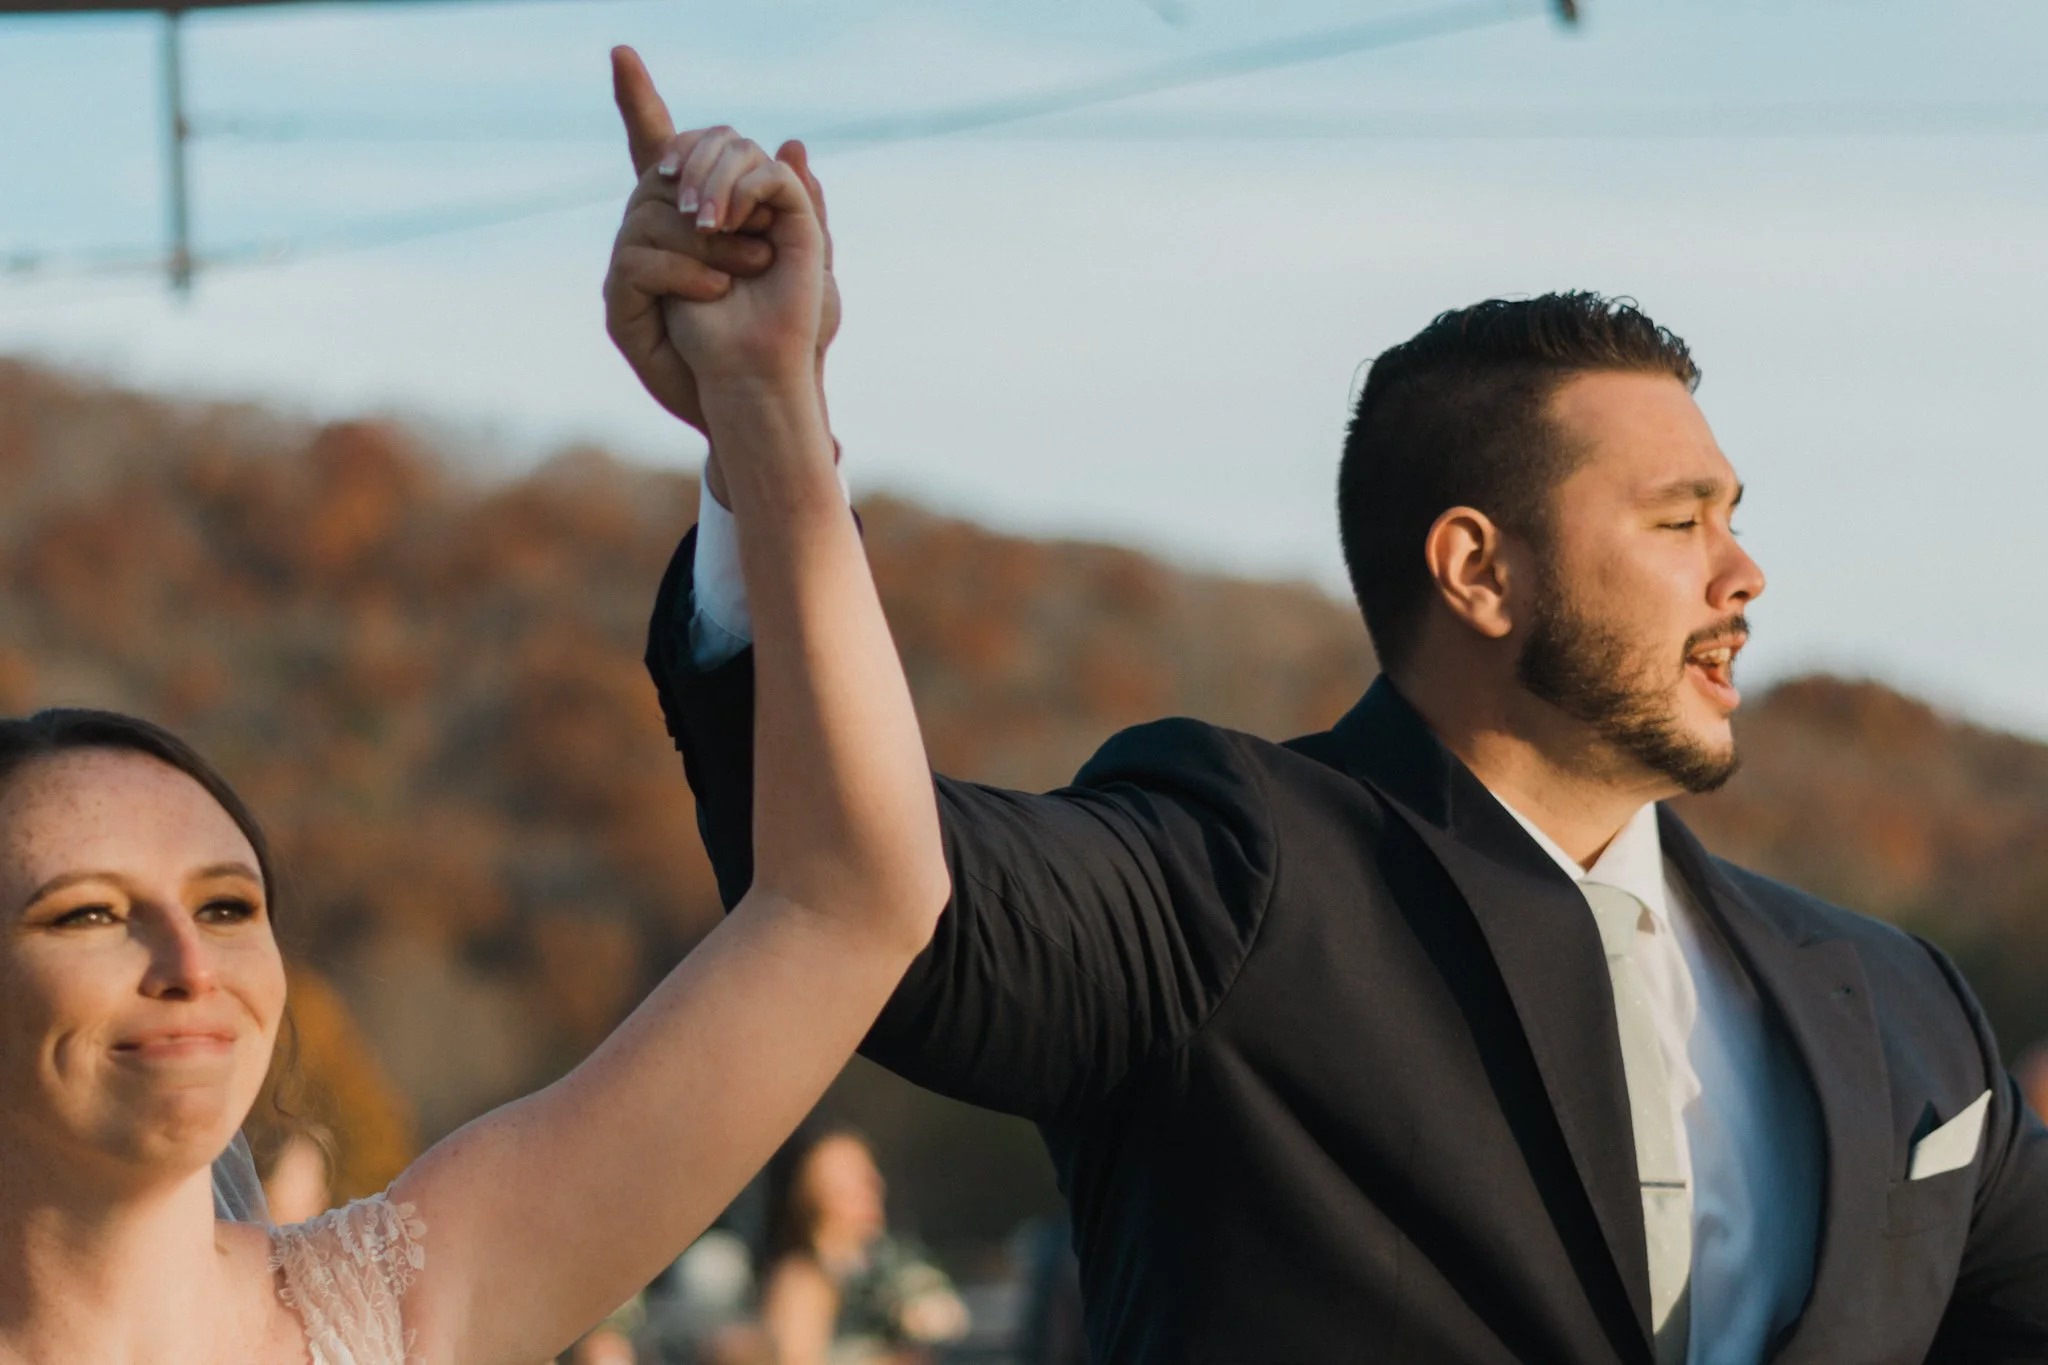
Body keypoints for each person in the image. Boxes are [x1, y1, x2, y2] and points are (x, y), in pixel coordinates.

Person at [606, 60, 2048, 1365]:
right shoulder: (1229, 880)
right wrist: (766, 429)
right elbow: (879, 893)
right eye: (1680, 523)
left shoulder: (1906, 1009)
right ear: (1479, 570)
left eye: (1733, 517)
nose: (1746, 575)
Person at [0, 123, 950, 1365]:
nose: (189, 962)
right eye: (85, 914)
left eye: (230, 907)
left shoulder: (393, 1309)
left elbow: (851, 901)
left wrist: (765, 407)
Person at [757, 1125, 969, 1365]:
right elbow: (797, 1358)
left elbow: (944, 1316)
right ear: (821, 1194)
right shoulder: (803, 1278)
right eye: (860, 1182)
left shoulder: (893, 1260)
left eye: (872, 1177)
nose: (877, 1186)